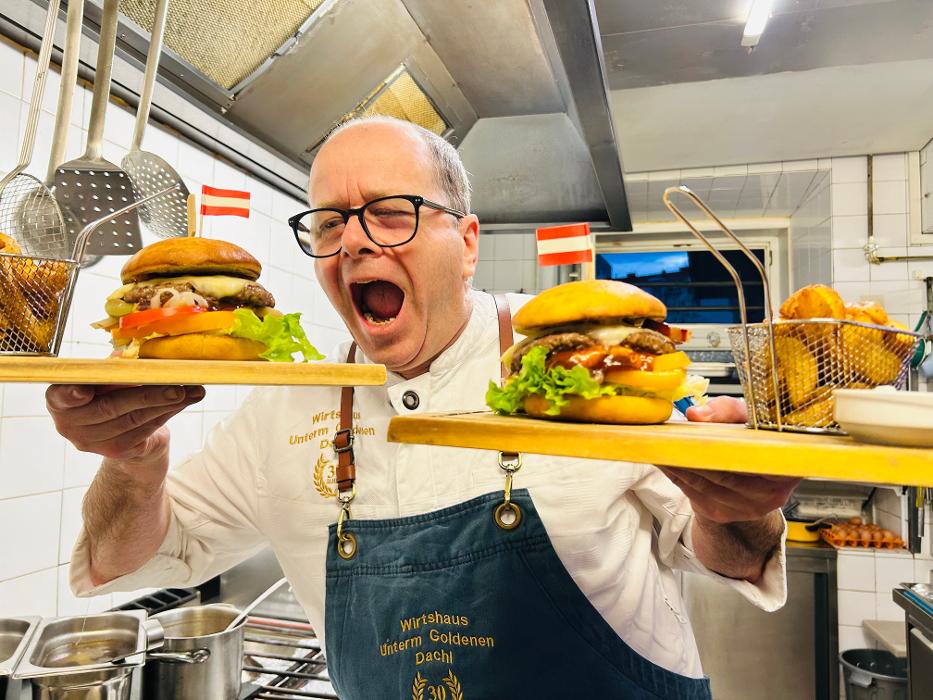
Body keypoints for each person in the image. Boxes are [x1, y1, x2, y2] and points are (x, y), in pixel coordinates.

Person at [47, 116, 798, 699]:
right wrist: (133, 462)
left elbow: (733, 558)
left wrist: (737, 505)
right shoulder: (287, 405)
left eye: (392, 212)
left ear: (465, 242)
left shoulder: (580, 369)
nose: (354, 243)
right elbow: (128, 562)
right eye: (332, 222)